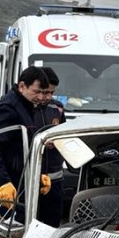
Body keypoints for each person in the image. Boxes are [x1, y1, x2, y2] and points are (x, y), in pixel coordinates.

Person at [0, 66, 53, 221]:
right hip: (8, 189)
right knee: (6, 236)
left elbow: (26, 146)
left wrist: (39, 174)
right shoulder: (8, 108)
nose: (41, 97)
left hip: (21, 183)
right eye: (37, 91)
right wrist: (3, 183)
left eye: (44, 92)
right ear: (22, 86)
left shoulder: (27, 107)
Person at [37, 67, 67, 227]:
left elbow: (64, 132)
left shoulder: (58, 108)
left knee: (52, 221)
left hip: (55, 176)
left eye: (52, 93)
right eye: (46, 92)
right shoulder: (27, 108)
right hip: (34, 175)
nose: (48, 97)